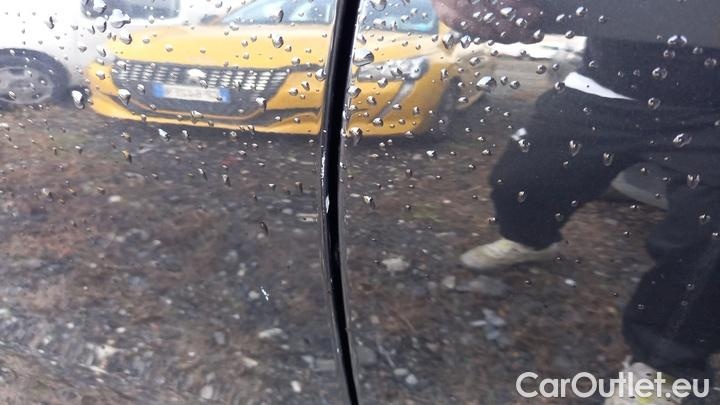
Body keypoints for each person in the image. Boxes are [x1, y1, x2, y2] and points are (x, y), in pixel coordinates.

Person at [431, 0, 720, 403]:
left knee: (710, 240)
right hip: (607, 83)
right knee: (520, 179)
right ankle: (532, 240)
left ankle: (667, 364)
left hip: (714, 108)